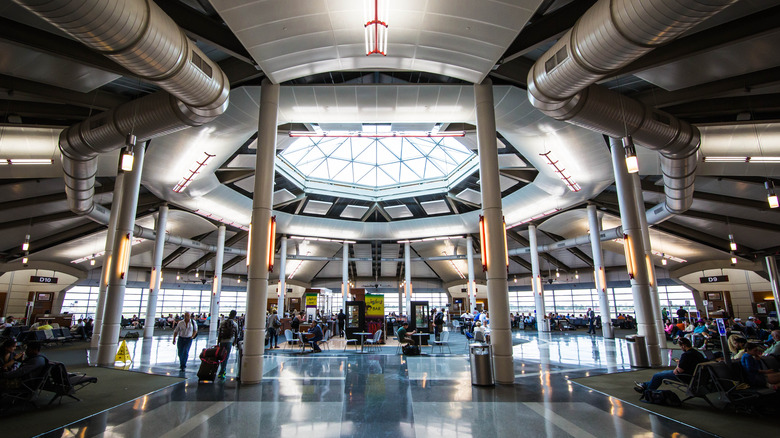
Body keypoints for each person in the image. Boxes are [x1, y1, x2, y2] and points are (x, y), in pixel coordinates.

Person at [634, 337, 705, 392]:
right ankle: (644, 385)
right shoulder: (698, 353)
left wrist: (678, 364)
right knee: (662, 373)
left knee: (657, 375)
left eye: (680, 346)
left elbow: (677, 372)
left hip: (685, 377)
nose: (681, 348)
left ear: (683, 346)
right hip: (695, 376)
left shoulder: (686, 355)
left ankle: (647, 392)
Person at [217, 310, 239, 379]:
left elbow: (220, 333)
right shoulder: (235, 324)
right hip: (229, 341)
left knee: (221, 356)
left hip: (222, 341)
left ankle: (222, 370)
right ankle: (222, 371)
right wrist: (235, 342)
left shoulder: (223, 322)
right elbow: (236, 334)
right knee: (226, 356)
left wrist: (218, 342)